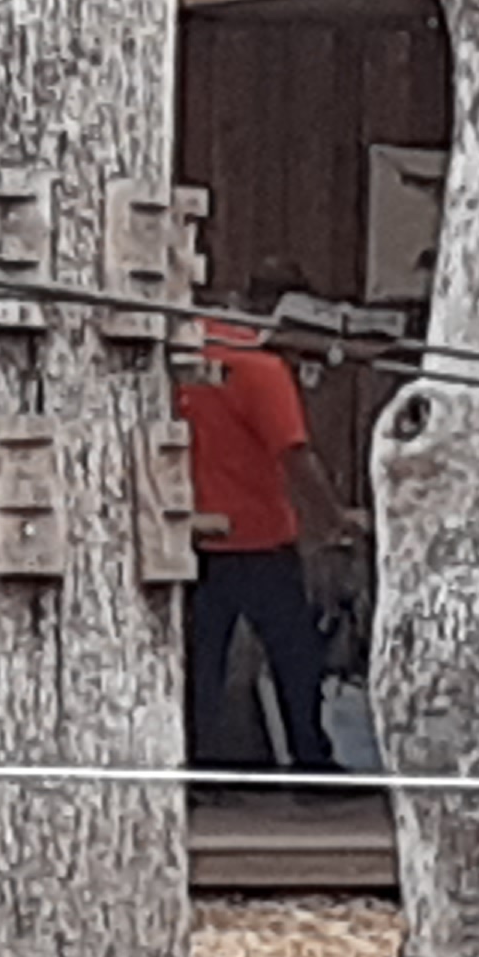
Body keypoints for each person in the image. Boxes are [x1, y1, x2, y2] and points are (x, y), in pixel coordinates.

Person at [178, 299, 361, 776]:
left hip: (190, 536)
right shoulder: (260, 369)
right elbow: (295, 454)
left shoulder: (183, 357)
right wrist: (334, 518)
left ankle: (192, 763)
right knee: (296, 657)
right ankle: (310, 759)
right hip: (260, 538)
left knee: (198, 663)